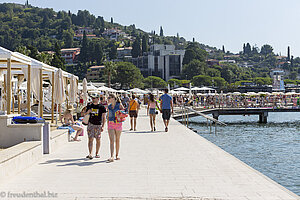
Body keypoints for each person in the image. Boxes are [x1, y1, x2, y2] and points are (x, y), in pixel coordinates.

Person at [84, 94, 106, 159]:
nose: (93, 99)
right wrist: (88, 112)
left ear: (98, 99)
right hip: (91, 124)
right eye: (92, 98)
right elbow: (84, 114)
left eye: (95, 98)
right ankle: (90, 153)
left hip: (98, 125)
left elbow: (104, 117)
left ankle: (97, 153)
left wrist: (103, 126)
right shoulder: (89, 106)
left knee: (98, 139)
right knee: (90, 139)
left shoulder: (101, 107)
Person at [107, 94, 125, 162]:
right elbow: (108, 116)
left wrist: (119, 115)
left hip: (118, 124)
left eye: (109, 97)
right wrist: (107, 124)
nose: (108, 99)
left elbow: (124, 114)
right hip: (111, 123)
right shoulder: (109, 107)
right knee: (112, 140)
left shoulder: (119, 105)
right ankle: (111, 156)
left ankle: (117, 155)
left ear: (113, 98)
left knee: (117, 140)